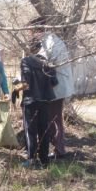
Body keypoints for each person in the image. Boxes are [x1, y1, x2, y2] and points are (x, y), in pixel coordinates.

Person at [27, 17, 74, 158]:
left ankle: (59, 150)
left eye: (31, 31)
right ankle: (58, 148)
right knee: (53, 119)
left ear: (37, 30)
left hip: (56, 87)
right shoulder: (49, 41)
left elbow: (44, 64)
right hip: (55, 87)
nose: (30, 35)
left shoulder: (50, 43)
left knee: (54, 119)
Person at [19, 42, 57, 168]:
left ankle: (31, 159)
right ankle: (44, 159)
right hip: (45, 100)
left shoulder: (26, 61)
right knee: (44, 130)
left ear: (28, 48)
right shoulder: (47, 62)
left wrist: (16, 89)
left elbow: (26, 83)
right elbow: (54, 82)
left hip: (30, 100)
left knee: (30, 131)